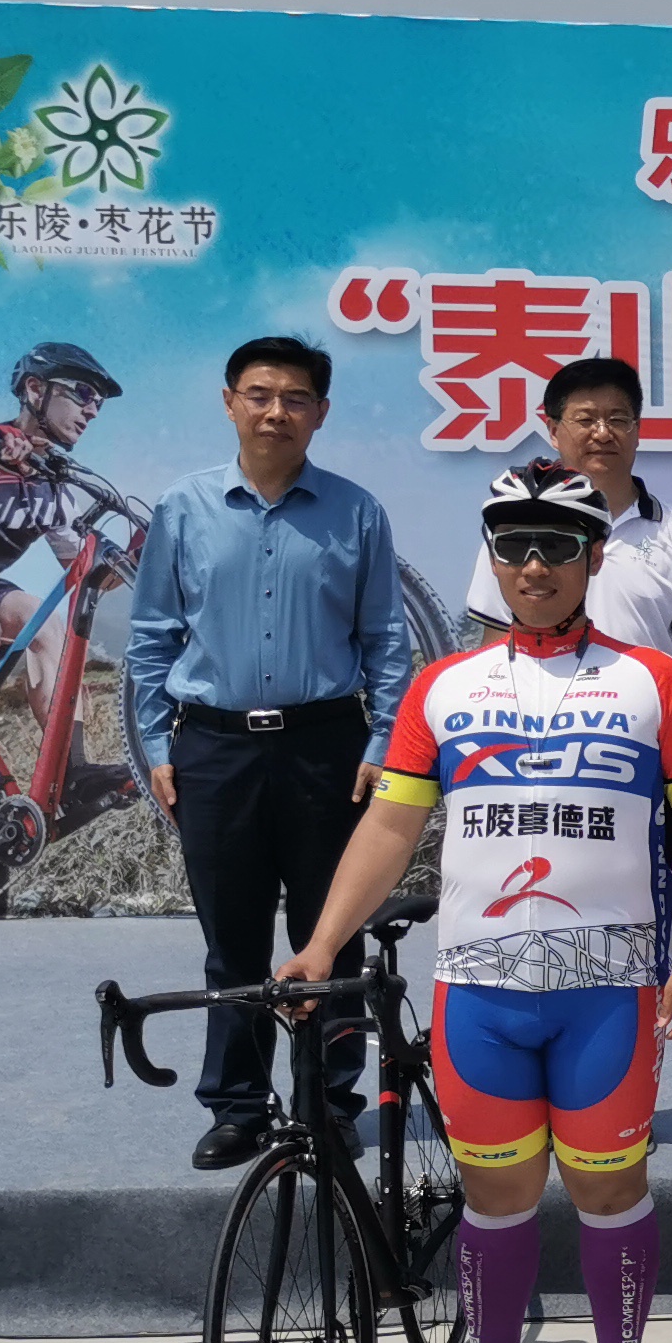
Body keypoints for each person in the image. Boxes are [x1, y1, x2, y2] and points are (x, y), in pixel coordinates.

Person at [277, 463, 672, 1343]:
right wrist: (319, 945)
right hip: (480, 989)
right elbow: (391, 827)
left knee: (610, 1191)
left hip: (608, 990)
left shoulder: (653, 680)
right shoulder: (446, 686)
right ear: (494, 559)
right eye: (514, 545)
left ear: (594, 557)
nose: (534, 564)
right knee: (495, 1198)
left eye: (556, 544)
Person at [125, 337, 413, 1169]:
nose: (275, 411)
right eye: (259, 394)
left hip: (328, 748)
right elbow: (151, 637)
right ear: (229, 403)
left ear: (321, 413)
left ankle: (329, 1102)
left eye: (295, 398)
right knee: (233, 938)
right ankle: (239, 1107)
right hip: (214, 748)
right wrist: (157, 743)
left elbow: (385, 641)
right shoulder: (184, 508)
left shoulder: (356, 512)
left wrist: (383, 740)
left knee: (334, 934)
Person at [460, 355, 672, 717]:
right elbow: (494, 644)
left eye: (618, 419)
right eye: (585, 420)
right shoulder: (515, 532)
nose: (602, 433)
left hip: (646, 729)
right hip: (538, 725)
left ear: (637, 430)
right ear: (553, 430)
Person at [0, 341, 142, 831]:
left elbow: (90, 576)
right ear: (35, 389)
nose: (92, 410)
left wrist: (141, 553)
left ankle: (72, 772)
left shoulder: (54, 489)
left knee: (44, 620)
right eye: (83, 393)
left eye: (99, 403)